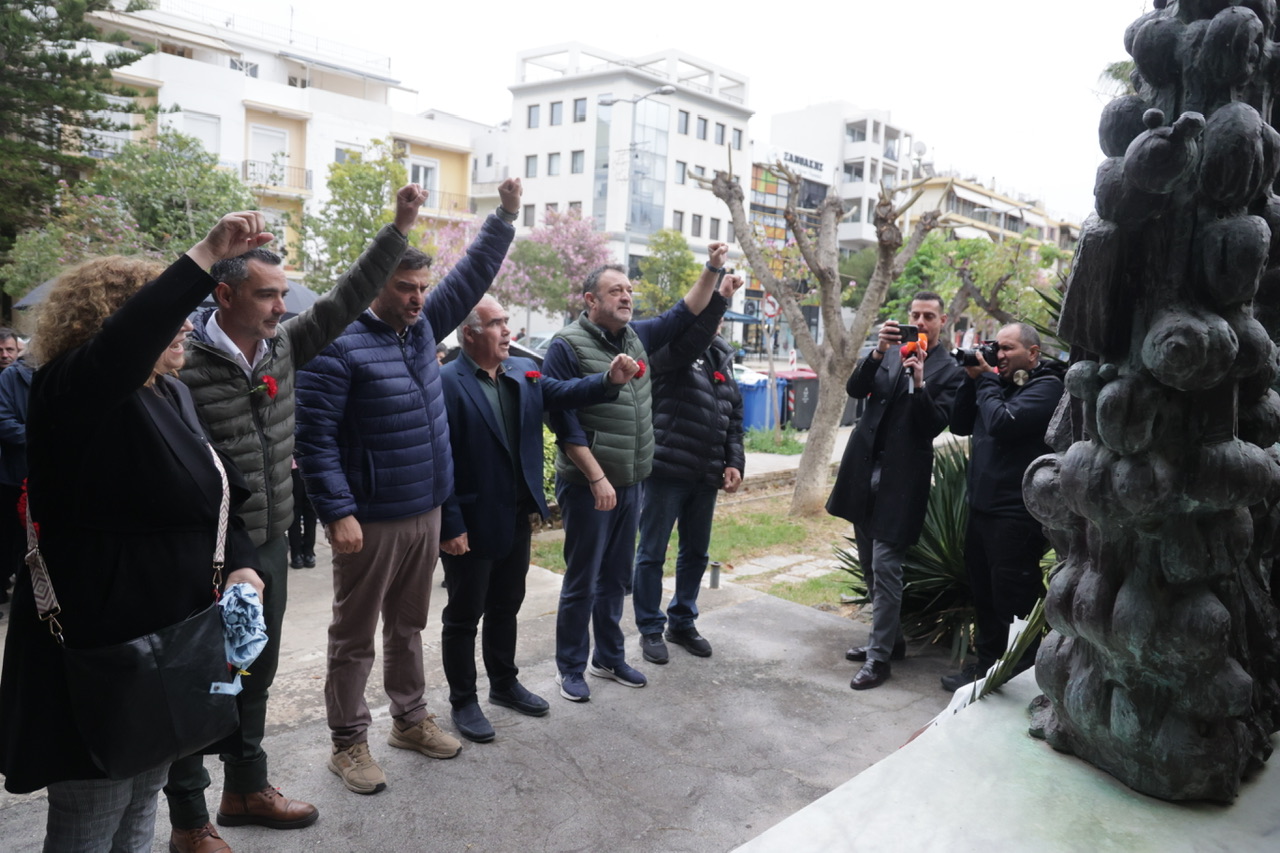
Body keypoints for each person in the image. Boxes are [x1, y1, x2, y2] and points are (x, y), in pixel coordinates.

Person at [166, 184, 429, 851]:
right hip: (199, 552)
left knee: (254, 667)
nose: (282, 306)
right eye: (267, 295)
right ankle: (189, 820)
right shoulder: (180, 363)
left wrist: (398, 229)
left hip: (268, 541)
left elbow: (346, 299)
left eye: (283, 294)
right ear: (224, 295)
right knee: (198, 680)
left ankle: (246, 787)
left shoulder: (283, 346)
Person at [0, 213, 269, 852]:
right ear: (111, 323)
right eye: (171, 314)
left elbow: (219, 493)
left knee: (143, 801)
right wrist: (205, 254)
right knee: (91, 819)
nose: (188, 324)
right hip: (103, 652)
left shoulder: (169, 393)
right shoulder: (69, 391)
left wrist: (241, 562)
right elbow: (122, 349)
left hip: (170, 644)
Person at [296, 178, 521, 794]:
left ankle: (410, 719)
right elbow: (313, 438)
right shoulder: (336, 344)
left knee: (409, 625)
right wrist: (337, 511)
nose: (419, 298)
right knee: (353, 636)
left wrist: (504, 217)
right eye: (405, 287)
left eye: (423, 287)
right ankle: (347, 742)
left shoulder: (421, 328)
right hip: (369, 519)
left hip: (425, 510)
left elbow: (471, 277)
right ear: (376, 284)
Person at [438, 295, 638, 742]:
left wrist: (608, 379)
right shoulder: (447, 382)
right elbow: (439, 460)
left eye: (507, 321)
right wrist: (450, 525)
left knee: (506, 604)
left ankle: (504, 684)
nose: (507, 331)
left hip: (515, 514)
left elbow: (563, 393)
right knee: (464, 615)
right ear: (469, 334)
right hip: (470, 521)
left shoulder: (521, 372)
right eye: (496, 323)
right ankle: (464, 700)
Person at [542, 242, 731, 702]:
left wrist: (712, 269)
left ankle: (608, 657)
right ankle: (570, 667)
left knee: (616, 579)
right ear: (591, 300)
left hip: (631, 482)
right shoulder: (566, 345)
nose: (626, 296)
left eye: (628, 290)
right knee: (582, 581)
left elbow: (685, 312)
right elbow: (562, 419)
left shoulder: (635, 337)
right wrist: (596, 478)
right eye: (615, 291)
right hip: (589, 486)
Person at [826, 292, 965, 690]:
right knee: (869, 564)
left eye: (929, 316)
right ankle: (892, 641)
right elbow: (855, 389)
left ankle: (879, 658)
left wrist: (920, 383)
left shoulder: (949, 370)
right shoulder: (888, 353)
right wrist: (876, 353)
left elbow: (934, 424)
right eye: (915, 314)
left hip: (902, 480)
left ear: (943, 321)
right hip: (864, 471)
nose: (920, 322)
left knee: (886, 567)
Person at [940, 323, 1062, 692]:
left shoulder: (1047, 386)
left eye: (1008, 348)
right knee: (984, 595)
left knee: (1014, 598)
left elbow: (1001, 422)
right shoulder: (998, 385)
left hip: (1015, 516)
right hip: (982, 511)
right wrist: (971, 379)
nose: (1000, 354)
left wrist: (986, 380)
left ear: (1033, 353)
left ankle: (1020, 678)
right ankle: (986, 670)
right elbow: (960, 424)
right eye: (997, 347)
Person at [633, 280, 745, 665]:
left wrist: (734, 461)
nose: (717, 322)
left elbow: (734, 415)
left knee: (696, 553)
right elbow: (688, 345)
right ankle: (650, 627)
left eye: (720, 315)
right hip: (667, 469)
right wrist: (718, 300)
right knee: (652, 552)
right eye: (712, 312)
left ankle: (681, 622)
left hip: (706, 474)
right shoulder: (671, 349)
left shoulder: (723, 356)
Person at [0, 352, 32, 608]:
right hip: (14, 475)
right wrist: (39, 434)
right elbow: (4, 422)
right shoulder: (11, 376)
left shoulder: (61, 371)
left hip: (45, 473)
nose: (5, 355)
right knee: (11, 538)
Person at [288, 457, 317, 569]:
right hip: (295, 467)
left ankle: (307, 550)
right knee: (296, 510)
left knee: (310, 510)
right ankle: (297, 552)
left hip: (311, 465)